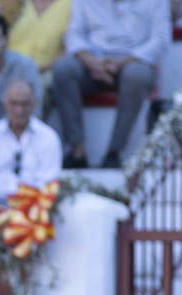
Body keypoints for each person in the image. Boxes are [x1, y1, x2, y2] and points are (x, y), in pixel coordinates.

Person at [52, 0, 169, 169]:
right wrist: (92, 62)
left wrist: (120, 63)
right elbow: (73, 34)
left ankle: (114, 152)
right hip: (92, 62)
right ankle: (77, 150)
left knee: (136, 76)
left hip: (134, 61)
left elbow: (160, 41)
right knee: (63, 69)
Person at [0, 79, 61, 200]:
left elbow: (49, 183)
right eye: (14, 103)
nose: (19, 110)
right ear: (5, 103)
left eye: (25, 104)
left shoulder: (48, 137)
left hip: (35, 208)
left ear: (34, 104)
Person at [6, 0, 72, 75]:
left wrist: (40, 69)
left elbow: (70, 48)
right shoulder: (14, 3)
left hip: (47, 73)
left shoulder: (70, 4)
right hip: (7, 71)